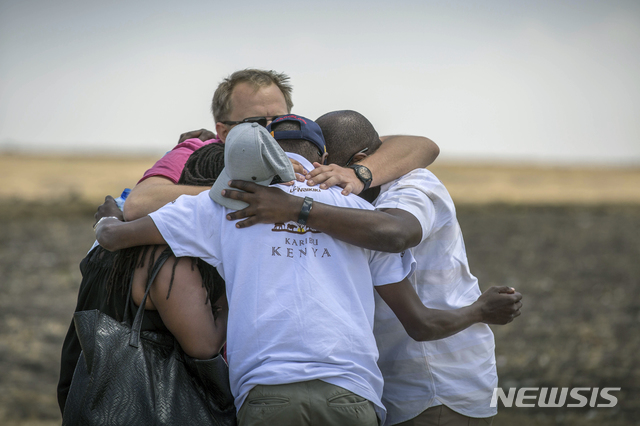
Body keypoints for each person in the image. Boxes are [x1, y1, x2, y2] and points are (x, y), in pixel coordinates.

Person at [94, 117, 521, 426]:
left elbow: (115, 237)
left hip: (267, 393)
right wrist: (480, 310)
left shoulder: (225, 204)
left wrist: (112, 212)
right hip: (355, 394)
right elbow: (421, 322)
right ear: (321, 158)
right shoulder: (359, 213)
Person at [221, 110, 521, 425]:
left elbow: (395, 233)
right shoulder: (349, 206)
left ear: (361, 160)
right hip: (378, 389)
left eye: (329, 171)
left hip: (438, 384)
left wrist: (297, 208)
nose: (320, 180)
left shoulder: (413, 185)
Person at [123, 68, 441, 221]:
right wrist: (245, 194)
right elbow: (139, 203)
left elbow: (420, 145)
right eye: (254, 125)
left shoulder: (302, 141)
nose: (270, 132)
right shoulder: (196, 150)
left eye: (278, 119)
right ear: (221, 132)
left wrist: (360, 174)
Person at [57, 143, 229, 414]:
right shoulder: (170, 259)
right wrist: (234, 286)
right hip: (136, 409)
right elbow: (205, 345)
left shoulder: (112, 238)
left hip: (82, 395)